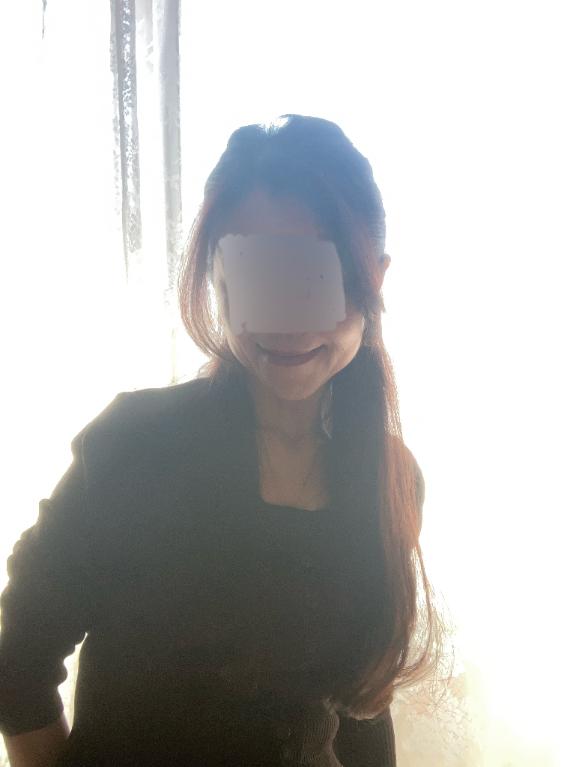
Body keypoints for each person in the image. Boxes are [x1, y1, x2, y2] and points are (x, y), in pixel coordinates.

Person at [0, 114, 447, 767]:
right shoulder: (134, 447)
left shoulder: (391, 476)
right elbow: (18, 660)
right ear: (218, 276)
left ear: (373, 278)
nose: (289, 323)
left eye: (315, 278)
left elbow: (360, 709)